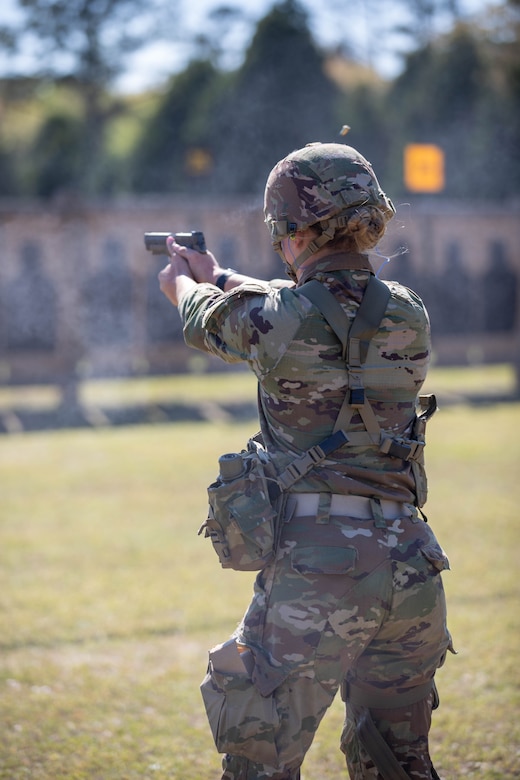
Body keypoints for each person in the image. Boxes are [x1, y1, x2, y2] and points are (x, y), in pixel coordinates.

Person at [158, 142, 453, 780]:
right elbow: (310, 305)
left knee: (260, 763)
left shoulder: (280, 319)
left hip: (320, 571)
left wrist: (186, 281)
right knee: (397, 765)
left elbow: (208, 318)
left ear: (291, 228)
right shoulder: (407, 311)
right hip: (412, 564)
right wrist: (223, 273)